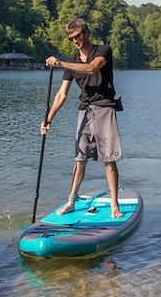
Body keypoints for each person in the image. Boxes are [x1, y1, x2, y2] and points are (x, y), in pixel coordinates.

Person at [41, 17, 124, 218]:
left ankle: (114, 204)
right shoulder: (71, 62)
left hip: (104, 107)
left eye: (77, 36)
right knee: (80, 159)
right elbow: (62, 94)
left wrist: (61, 63)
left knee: (109, 159)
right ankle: (71, 201)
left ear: (86, 33)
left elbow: (92, 68)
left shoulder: (103, 50)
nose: (75, 41)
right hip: (84, 111)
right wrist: (49, 118)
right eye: (71, 39)